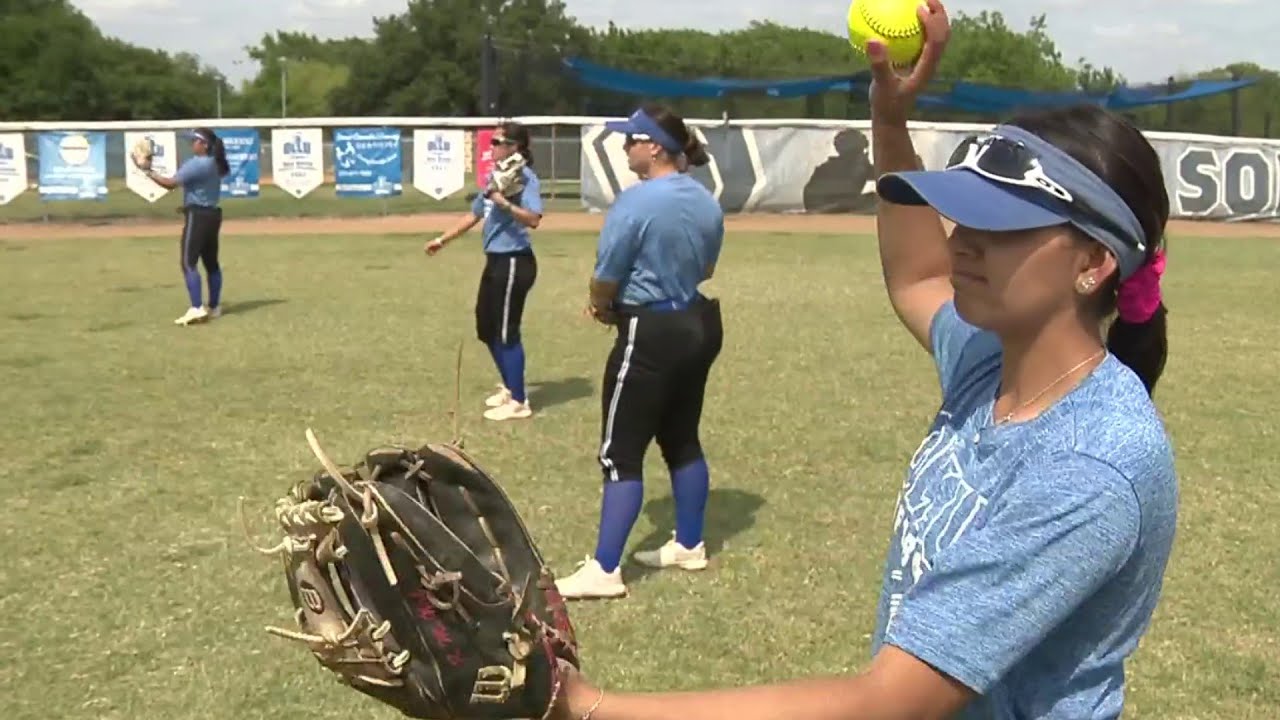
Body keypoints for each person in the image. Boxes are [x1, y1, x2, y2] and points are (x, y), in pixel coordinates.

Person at [548, 2, 1178, 718]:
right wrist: (889, 117)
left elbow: (885, 701)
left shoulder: (1090, 464)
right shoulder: (992, 361)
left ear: (1095, 263)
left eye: (1002, 225)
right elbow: (917, 276)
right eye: (963, 212)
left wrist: (589, 708)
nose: (964, 239)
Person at [554, 104, 725, 600]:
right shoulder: (706, 200)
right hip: (697, 321)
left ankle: (605, 570)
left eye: (631, 140)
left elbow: (607, 273)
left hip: (650, 329)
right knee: (681, 437)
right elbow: (707, 266)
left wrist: (600, 306)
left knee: (620, 453)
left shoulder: (638, 202)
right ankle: (689, 543)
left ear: (653, 147)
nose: (626, 147)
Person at [426, 122, 544, 421]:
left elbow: (533, 218)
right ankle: (509, 386)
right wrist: (442, 240)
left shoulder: (524, 177)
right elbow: (474, 213)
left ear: (514, 147)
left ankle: (519, 401)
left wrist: (503, 202)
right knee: (486, 328)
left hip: (515, 260)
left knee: (506, 333)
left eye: (498, 141)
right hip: (495, 260)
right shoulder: (495, 177)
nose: (491, 146)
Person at [135, 127, 230, 325]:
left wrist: (146, 170)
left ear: (204, 145)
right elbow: (201, 190)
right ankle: (214, 306)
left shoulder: (197, 164)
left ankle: (196, 308)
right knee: (211, 263)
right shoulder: (214, 162)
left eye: (194, 141)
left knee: (188, 262)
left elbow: (170, 184)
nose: (191, 144)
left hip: (199, 217)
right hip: (212, 215)